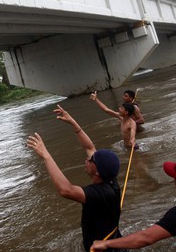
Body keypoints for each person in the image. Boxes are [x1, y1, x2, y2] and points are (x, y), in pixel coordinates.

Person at [27, 105, 128, 252]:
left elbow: (66, 190)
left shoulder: (98, 194)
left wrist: (45, 155)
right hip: (114, 241)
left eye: (91, 160)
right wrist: (73, 122)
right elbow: (90, 148)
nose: (86, 160)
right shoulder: (110, 180)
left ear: (98, 172)